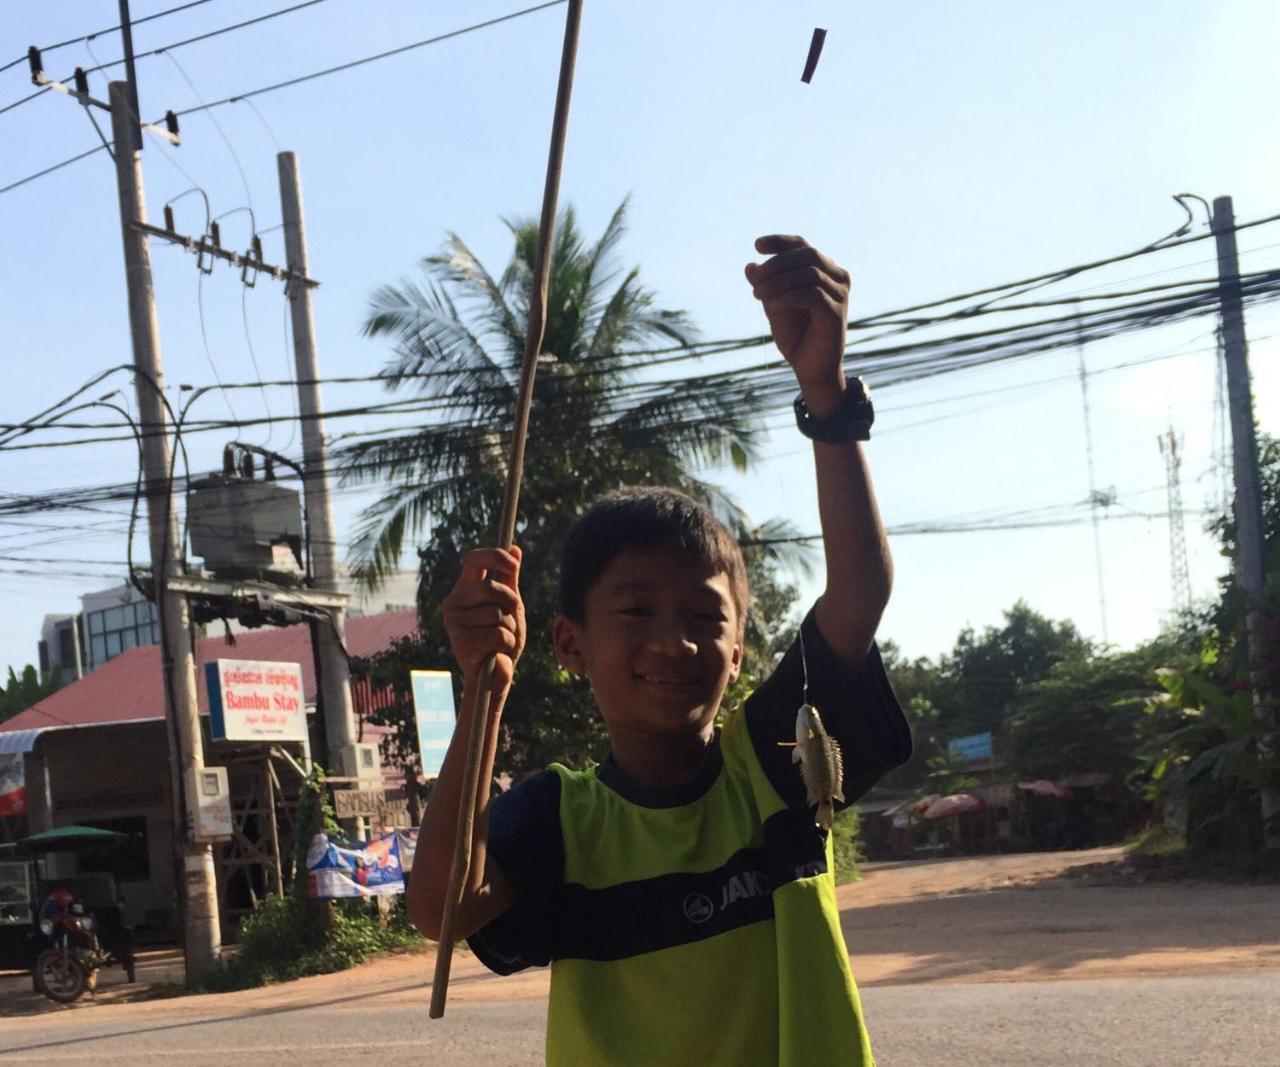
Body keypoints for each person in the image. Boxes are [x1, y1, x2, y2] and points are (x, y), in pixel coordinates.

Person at [409, 235, 912, 1065]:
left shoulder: (774, 762)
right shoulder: (560, 820)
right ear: (568, 643)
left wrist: (825, 395)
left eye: (705, 616)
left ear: (741, 647)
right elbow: (442, 907)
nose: (672, 640)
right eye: (635, 610)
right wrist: (483, 691)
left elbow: (859, 594)